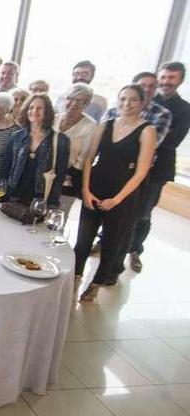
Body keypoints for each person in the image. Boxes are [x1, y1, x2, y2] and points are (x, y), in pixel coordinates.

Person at [74, 84, 156, 301]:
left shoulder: (147, 130)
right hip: (96, 186)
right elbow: (90, 158)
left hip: (123, 194)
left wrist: (117, 199)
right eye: (122, 99)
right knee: (83, 240)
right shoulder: (106, 125)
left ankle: (96, 283)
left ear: (142, 102)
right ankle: (74, 277)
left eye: (133, 100)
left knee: (111, 243)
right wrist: (86, 189)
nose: (126, 104)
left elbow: (141, 172)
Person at [125, 62, 190, 273]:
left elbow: (171, 140)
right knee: (119, 207)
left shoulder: (183, 109)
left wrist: (138, 143)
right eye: (164, 77)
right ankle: (106, 241)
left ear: (180, 80)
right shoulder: (136, 102)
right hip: (126, 165)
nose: (166, 82)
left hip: (157, 168)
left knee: (143, 212)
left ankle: (134, 250)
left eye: (172, 78)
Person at [0, 94, 70, 208]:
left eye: (40, 108)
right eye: (31, 107)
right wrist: (1, 194)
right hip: (14, 194)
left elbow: (60, 175)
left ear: (47, 111)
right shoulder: (17, 136)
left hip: (41, 198)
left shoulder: (61, 140)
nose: (34, 111)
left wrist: (52, 203)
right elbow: (5, 167)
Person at [103, 71, 171, 146]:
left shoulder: (162, 114)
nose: (147, 89)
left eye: (152, 86)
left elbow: (152, 143)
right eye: (142, 85)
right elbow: (101, 137)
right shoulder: (112, 111)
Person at [54, 83, 98, 198]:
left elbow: (84, 158)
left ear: (86, 104)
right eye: (70, 98)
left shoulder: (90, 126)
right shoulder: (54, 118)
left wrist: (64, 176)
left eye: (79, 100)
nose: (73, 104)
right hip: (44, 173)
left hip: (68, 179)